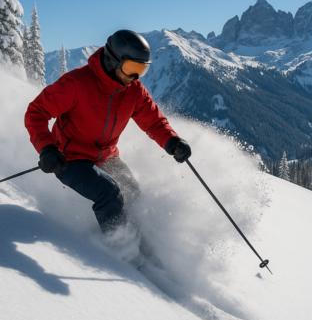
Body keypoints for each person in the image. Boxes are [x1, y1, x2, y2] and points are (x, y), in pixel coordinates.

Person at [24, 30, 192, 236]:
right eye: (131, 68)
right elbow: (36, 112)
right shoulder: (77, 83)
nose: (135, 76)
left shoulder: (134, 91)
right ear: (113, 61)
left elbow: (154, 123)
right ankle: (120, 250)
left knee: (133, 194)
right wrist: (47, 149)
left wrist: (172, 141)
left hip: (106, 155)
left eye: (142, 69)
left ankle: (140, 241)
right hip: (68, 158)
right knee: (109, 193)